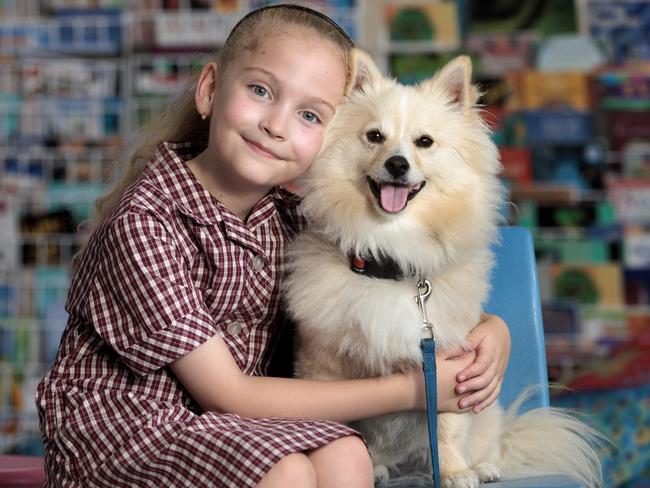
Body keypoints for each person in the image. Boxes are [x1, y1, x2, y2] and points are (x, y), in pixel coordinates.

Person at [36, 5, 511, 488]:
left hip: (227, 427)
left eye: (309, 114)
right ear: (209, 90)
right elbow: (230, 393)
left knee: (347, 454)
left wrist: (494, 330)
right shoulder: (143, 224)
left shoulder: (288, 215)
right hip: (129, 434)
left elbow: (397, 287)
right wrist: (414, 390)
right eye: (260, 91)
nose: (276, 124)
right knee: (287, 469)